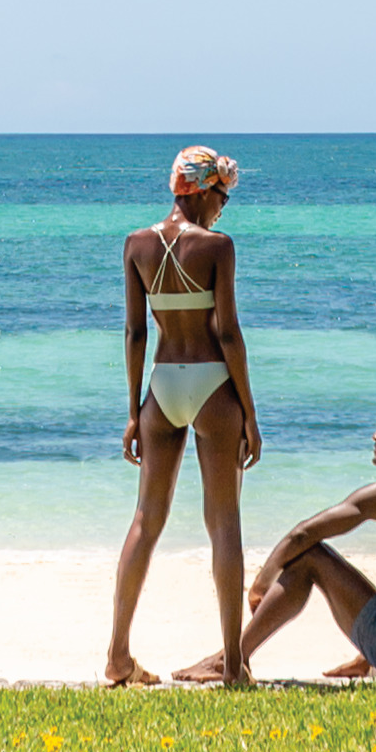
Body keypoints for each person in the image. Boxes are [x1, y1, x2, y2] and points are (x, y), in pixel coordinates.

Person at [106, 144, 262, 688]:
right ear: (204, 191)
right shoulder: (217, 246)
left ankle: (117, 657)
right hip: (213, 383)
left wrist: (133, 412)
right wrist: (249, 412)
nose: (224, 208)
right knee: (224, 522)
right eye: (223, 196)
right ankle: (234, 665)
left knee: (146, 521)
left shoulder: (136, 244)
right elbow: (227, 332)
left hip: (161, 385)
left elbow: (134, 334)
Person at [178, 399, 376, 687]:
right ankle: (369, 658)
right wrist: (370, 654)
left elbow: (304, 534)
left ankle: (229, 659)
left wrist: (261, 584)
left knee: (312, 556)